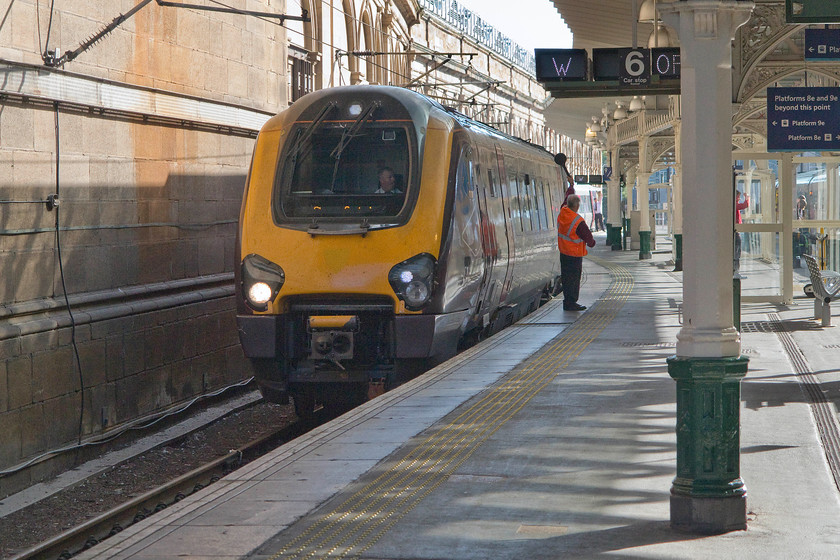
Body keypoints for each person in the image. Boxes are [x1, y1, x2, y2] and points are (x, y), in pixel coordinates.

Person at [558, 194, 596, 311]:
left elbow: (564, 202)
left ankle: (567, 301)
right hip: (574, 254)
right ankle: (571, 303)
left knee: (566, 278)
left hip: (563, 253)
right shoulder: (577, 221)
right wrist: (592, 243)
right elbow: (589, 240)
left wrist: (571, 186)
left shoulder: (562, 213)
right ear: (577, 206)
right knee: (574, 279)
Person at [734, 190, 750, 279]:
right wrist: (747, 198)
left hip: (736, 230)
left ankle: (735, 271)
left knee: (737, 250)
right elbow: (745, 205)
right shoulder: (733, 204)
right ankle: (735, 271)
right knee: (737, 251)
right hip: (736, 231)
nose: (739, 198)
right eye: (738, 196)